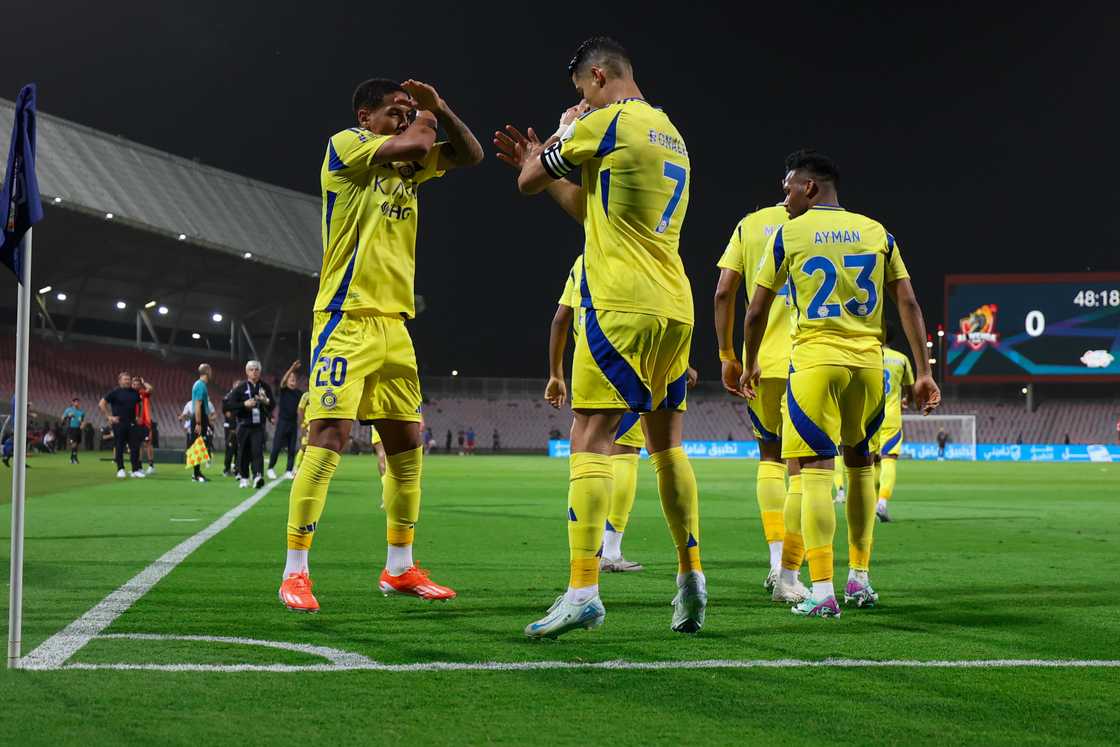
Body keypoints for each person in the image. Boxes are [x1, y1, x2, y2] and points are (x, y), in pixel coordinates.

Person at [499, 37, 705, 637]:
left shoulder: (606, 122)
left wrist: (555, 138)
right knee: (668, 446)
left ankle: (583, 589)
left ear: (598, 76)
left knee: (590, 436)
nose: (580, 102)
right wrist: (555, 156)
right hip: (675, 305)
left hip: (619, 303)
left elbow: (531, 180)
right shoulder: (671, 134)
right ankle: (691, 582)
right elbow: (593, 212)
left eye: (581, 92)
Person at [278, 76, 483, 614]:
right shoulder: (346, 145)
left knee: (407, 444)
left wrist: (440, 107)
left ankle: (399, 567)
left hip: (395, 323)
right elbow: (418, 143)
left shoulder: (407, 163)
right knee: (328, 435)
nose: (404, 117)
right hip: (345, 317)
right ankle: (295, 571)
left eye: (407, 110)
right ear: (365, 116)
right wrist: (425, 116)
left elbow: (471, 153)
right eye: (395, 110)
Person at [740, 149, 940, 618]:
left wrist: (749, 362)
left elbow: (755, 310)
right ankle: (860, 579)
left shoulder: (791, 233)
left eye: (789, 188)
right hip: (868, 367)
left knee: (812, 472)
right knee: (861, 466)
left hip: (815, 362)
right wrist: (925, 369)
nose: (784, 197)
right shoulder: (877, 232)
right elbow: (908, 304)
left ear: (810, 187)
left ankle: (823, 590)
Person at [714, 189, 810, 602]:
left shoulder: (748, 225)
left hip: (761, 362)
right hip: (811, 358)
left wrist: (727, 355)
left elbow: (723, 292)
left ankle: (776, 561)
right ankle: (795, 571)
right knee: (807, 469)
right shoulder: (824, 228)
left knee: (769, 457)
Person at [874, 329, 915, 523]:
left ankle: (869, 505)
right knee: (888, 459)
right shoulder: (901, 359)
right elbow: (911, 390)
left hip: (867, 416)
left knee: (870, 462)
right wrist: (907, 400)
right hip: (891, 417)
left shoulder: (867, 354)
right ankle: (881, 503)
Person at [226, 360, 274, 489]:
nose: (254, 372)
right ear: (247, 372)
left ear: (260, 372)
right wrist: (244, 404)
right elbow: (229, 404)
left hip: (258, 425)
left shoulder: (265, 387)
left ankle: (258, 476)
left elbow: (273, 404)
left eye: (256, 369)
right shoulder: (240, 387)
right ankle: (244, 477)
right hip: (244, 425)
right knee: (243, 452)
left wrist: (266, 401)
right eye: (251, 369)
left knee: (257, 451)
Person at [99, 371, 144, 478]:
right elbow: (101, 403)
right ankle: (120, 469)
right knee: (119, 446)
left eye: (128, 379)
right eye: (125, 379)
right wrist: (109, 417)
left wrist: (139, 416)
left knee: (135, 447)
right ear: (120, 381)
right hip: (119, 423)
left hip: (132, 423)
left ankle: (135, 470)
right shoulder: (115, 392)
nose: (127, 381)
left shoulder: (135, 392)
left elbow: (140, 404)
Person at [268, 360, 303, 480]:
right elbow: (283, 381)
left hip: (293, 423)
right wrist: (292, 368)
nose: (292, 379)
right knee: (277, 446)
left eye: (294, 378)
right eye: (290, 377)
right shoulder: (284, 390)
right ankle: (270, 468)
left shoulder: (299, 393)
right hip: (283, 422)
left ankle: (289, 470)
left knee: (292, 448)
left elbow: (300, 408)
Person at [189, 364, 214, 483]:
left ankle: (197, 472)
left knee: (199, 444)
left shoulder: (201, 385)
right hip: (198, 418)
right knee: (197, 445)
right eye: (211, 371)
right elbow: (198, 405)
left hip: (201, 418)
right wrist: (198, 422)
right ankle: (195, 474)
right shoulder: (200, 385)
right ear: (207, 372)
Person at [132, 375, 156, 474]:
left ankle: (151, 465)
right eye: (134, 384)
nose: (136, 385)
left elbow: (150, 389)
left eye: (138, 384)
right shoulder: (130, 394)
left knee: (147, 444)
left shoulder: (143, 393)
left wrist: (144, 381)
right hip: (134, 422)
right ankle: (139, 466)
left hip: (145, 422)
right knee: (138, 445)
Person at [61, 397, 85, 464]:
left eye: (78, 402)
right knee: (74, 443)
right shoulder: (68, 410)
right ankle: (75, 459)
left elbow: (82, 421)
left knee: (76, 444)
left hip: (78, 429)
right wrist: (68, 416)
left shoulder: (81, 412)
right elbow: (62, 419)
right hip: (71, 428)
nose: (77, 403)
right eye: (75, 402)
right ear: (72, 403)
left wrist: (83, 424)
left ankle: (71, 459)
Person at [221, 404, 238, 477]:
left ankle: (236, 469)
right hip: (230, 432)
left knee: (237, 451)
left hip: (236, 429)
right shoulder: (229, 399)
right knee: (229, 451)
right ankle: (226, 469)